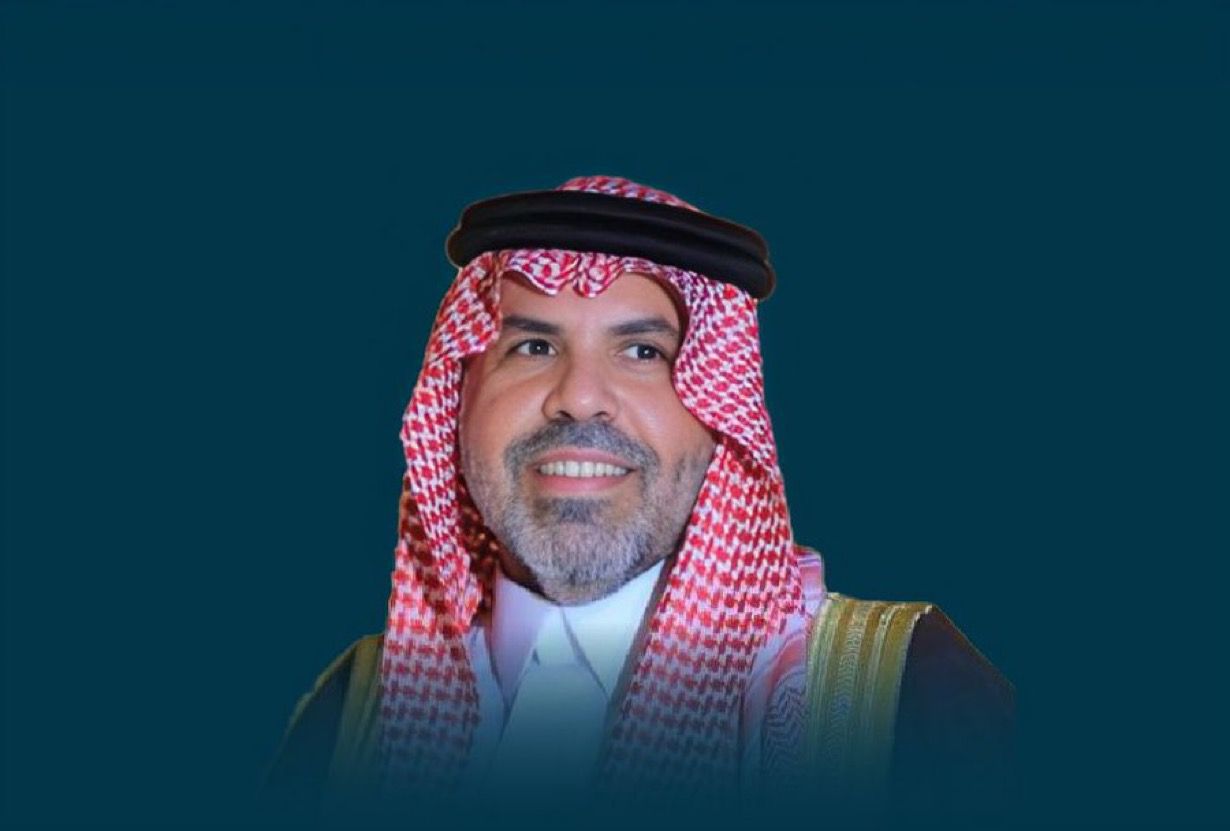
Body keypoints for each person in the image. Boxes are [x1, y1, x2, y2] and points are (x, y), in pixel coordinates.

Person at [264, 175, 1014, 821]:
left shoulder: (901, 694)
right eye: (532, 346)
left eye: (643, 352)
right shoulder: (350, 719)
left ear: (720, 415)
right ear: (457, 399)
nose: (580, 397)